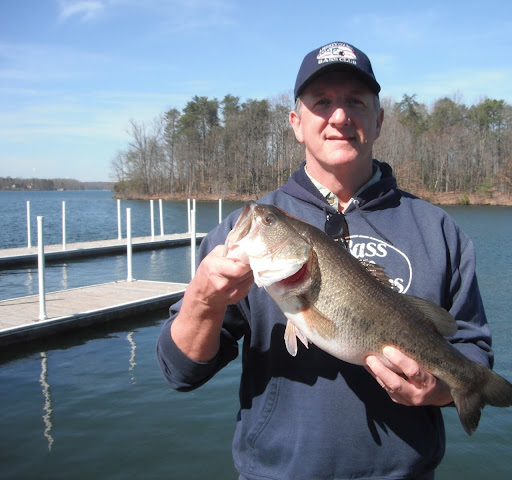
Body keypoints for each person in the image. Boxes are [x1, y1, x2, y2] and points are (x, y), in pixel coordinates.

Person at [157, 41, 493, 479]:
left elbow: (473, 352)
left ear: (378, 120)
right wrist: (203, 301)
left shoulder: (439, 230)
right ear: (296, 123)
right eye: (321, 102)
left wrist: (439, 392)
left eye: (355, 101)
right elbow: (181, 371)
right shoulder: (242, 236)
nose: (339, 116)